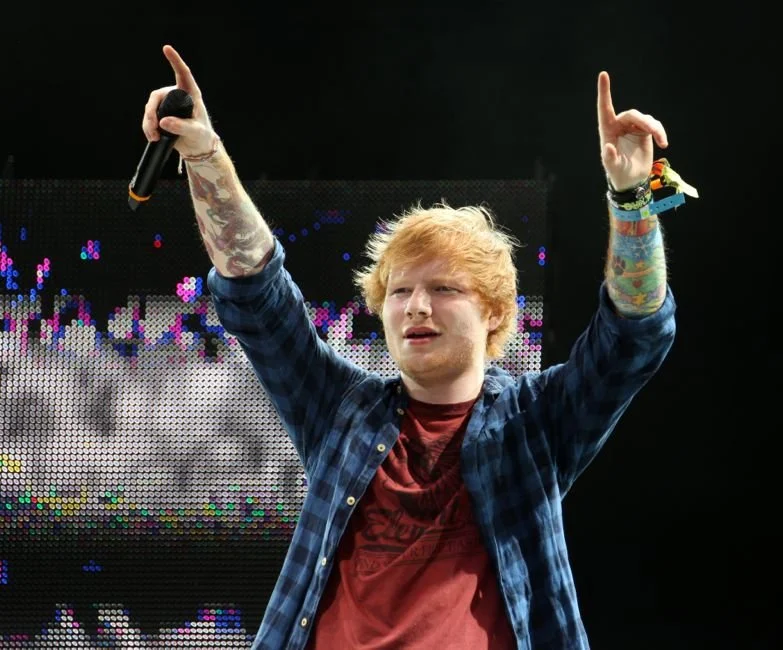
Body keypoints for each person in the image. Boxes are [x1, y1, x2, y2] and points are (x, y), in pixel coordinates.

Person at [142, 44, 683, 649]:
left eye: (443, 288)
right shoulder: (340, 409)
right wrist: (206, 157)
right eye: (400, 291)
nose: (416, 307)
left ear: (494, 311)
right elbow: (255, 291)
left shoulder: (537, 421)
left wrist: (633, 198)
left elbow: (635, 331)